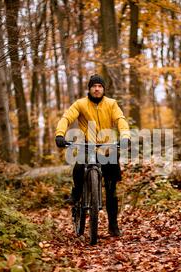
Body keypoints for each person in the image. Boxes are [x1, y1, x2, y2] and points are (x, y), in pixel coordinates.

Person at [55, 74, 131, 236]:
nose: (97, 89)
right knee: (79, 167)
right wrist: (60, 134)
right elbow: (66, 118)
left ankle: (113, 225)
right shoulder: (80, 104)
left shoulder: (111, 104)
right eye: (94, 86)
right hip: (87, 146)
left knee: (111, 190)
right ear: (89, 88)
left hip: (107, 148)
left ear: (103, 89)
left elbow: (121, 120)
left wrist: (125, 137)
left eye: (100, 86)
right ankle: (76, 193)